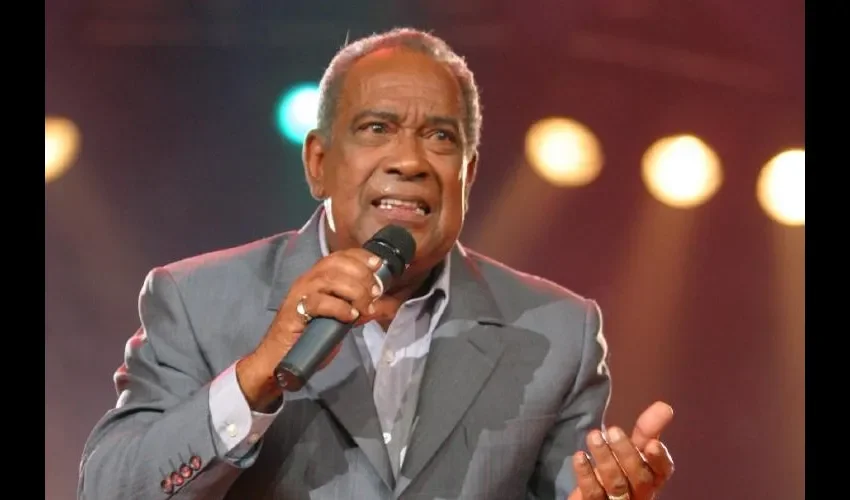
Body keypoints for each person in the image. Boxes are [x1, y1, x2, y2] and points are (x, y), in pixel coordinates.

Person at [78, 27, 675, 500]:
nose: (409, 161)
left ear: (467, 175)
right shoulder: (196, 300)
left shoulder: (557, 331)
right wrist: (256, 376)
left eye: (440, 138)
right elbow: (111, 490)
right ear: (318, 163)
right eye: (376, 128)